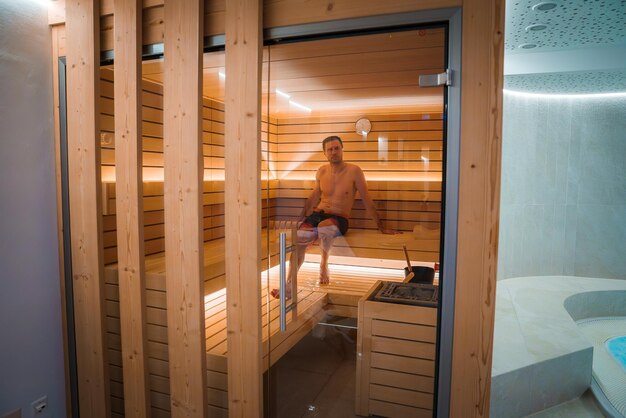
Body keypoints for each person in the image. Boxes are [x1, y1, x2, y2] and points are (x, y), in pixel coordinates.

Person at [271, 135, 400, 298]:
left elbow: (368, 201)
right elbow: (314, 197)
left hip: (339, 218)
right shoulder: (322, 171)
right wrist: (301, 219)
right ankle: (288, 286)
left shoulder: (354, 171)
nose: (334, 152)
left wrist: (382, 227)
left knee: (324, 226)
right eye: (330, 149)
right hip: (319, 214)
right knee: (300, 237)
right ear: (325, 153)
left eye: (337, 148)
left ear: (342, 149)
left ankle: (324, 265)